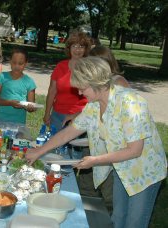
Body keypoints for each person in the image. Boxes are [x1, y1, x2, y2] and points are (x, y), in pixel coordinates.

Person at [26, 56, 167, 228]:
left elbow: (135, 150)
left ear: (96, 84)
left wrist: (95, 161)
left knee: (134, 223)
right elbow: (68, 133)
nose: (79, 93)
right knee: (118, 218)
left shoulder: (130, 103)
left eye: (82, 88)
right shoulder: (94, 106)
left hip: (145, 172)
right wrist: (39, 151)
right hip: (122, 167)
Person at [74, 45, 131, 214]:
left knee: (110, 194)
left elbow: (119, 116)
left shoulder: (118, 83)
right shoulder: (95, 89)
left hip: (113, 151)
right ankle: (85, 215)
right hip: (96, 144)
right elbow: (93, 110)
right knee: (86, 184)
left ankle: (106, 217)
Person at [43, 31, 91, 132]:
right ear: (69, 48)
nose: (77, 50)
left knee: (75, 147)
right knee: (54, 145)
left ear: (86, 49)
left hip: (80, 115)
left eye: (81, 46)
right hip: (57, 115)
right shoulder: (60, 66)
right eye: (74, 46)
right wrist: (47, 113)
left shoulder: (90, 69)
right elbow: (52, 91)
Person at [0, 47, 37, 124]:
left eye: (20, 63)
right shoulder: (2, 77)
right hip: (0, 121)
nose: (17, 66)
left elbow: (32, 106)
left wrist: (30, 107)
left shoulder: (29, 82)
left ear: (26, 63)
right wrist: (10, 103)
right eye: (14, 63)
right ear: (10, 62)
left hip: (19, 123)